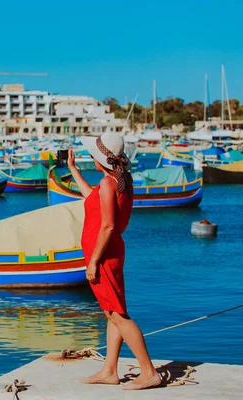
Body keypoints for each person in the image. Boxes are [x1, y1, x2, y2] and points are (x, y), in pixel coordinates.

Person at [67, 132, 161, 391]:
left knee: (118, 315)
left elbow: (108, 226)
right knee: (112, 312)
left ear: (101, 159)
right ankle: (109, 370)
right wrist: (73, 170)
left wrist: (94, 261)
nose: (89, 157)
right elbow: (91, 198)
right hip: (110, 253)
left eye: (92, 155)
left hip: (105, 256)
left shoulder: (109, 184)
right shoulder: (117, 181)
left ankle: (148, 371)